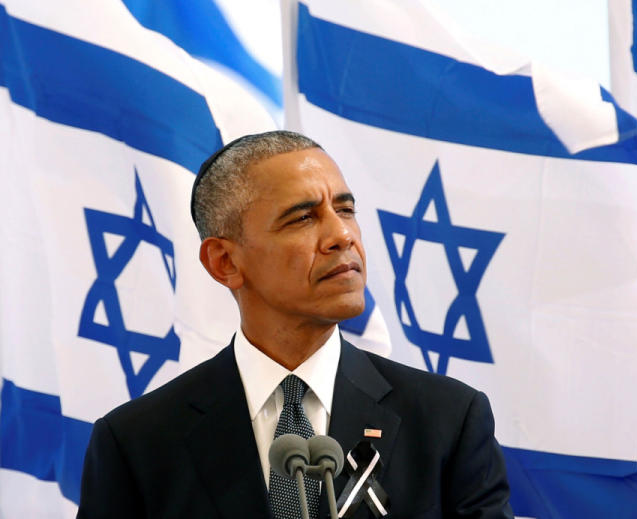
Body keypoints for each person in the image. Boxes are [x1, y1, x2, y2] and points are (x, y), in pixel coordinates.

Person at [77, 130, 513, 518]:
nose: (342, 235)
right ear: (225, 261)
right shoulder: (137, 443)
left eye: (345, 210)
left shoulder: (447, 420)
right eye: (303, 217)